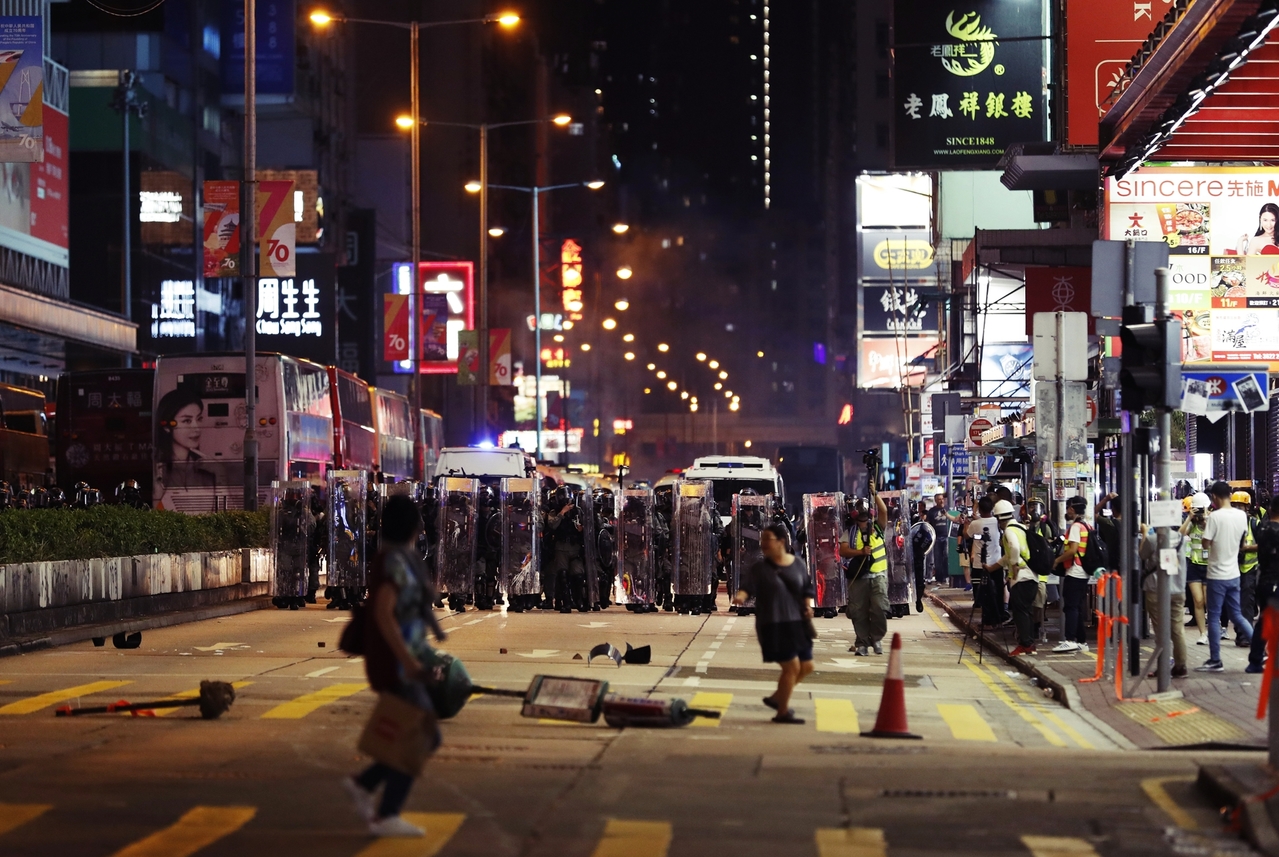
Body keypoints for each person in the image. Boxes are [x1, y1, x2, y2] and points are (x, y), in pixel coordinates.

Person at [345, 495, 447, 838]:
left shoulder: (396, 558)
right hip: (396, 665)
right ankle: (386, 811)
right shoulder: (393, 562)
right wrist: (410, 663)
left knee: (418, 734)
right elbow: (384, 615)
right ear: (412, 527)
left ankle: (365, 784)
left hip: (402, 661)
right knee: (424, 736)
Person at [734, 523, 815, 724]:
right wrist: (740, 597)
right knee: (792, 668)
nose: (762, 544)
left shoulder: (797, 563)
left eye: (766, 539)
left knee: (807, 666)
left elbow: (806, 588)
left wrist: (807, 605)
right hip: (773, 624)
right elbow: (747, 587)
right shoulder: (760, 568)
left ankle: (778, 697)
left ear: (780, 542)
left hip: (797, 623)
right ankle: (782, 711)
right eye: (761, 540)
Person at [1197, 481, 1254, 672]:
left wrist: (1206, 525)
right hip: (1235, 574)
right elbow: (1243, 541)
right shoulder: (1241, 516)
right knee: (1237, 615)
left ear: (1214, 497)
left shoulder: (1214, 517)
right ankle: (1260, 652)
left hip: (1216, 575)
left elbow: (1205, 544)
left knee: (1213, 616)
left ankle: (1215, 660)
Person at [840, 488, 890, 656]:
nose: (862, 513)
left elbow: (883, 510)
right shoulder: (850, 532)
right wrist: (861, 553)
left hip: (878, 576)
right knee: (858, 612)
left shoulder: (878, 527)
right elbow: (843, 551)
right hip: (858, 578)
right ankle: (862, 643)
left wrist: (875, 493)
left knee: (880, 608)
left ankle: (876, 638)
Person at [986, 499, 1037, 656]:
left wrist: (1014, 567)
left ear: (999, 518)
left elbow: (1014, 549)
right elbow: (1007, 557)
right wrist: (992, 567)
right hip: (1031, 576)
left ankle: (1025, 644)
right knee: (1026, 611)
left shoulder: (1009, 531)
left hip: (1021, 577)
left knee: (1020, 612)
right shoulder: (1020, 527)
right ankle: (1029, 643)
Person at [1138, 525, 1189, 679]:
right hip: (1178, 589)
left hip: (1156, 589)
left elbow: (1142, 554)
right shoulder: (1180, 538)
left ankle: (1163, 666)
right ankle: (1181, 666)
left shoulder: (1153, 539)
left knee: (1161, 632)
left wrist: (1145, 533)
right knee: (1177, 630)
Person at [1052, 496, 1091, 654]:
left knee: (1070, 607)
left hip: (1075, 570)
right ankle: (1081, 642)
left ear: (1071, 509)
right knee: (1077, 607)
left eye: (1067, 508)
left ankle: (1069, 640)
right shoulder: (1087, 525)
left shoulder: (1075, 526)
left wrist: (1056, 560)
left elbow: (1073, 550)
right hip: (1083, 572)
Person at [1247, 502, 1279, 674]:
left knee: (1263, 622)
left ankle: (1255, 661)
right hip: (1276, 582)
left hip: (1263, 580)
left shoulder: (1262, 528)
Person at [968, 496, 1006, 623]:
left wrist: (967, 522)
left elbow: (966, 534)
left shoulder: (975, 524)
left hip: (980, 564)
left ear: (980, 509)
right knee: (997, 592)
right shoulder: (997, 522)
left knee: (984, 594)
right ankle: (998, 618)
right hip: (997, 563)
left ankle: (988, 620)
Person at [1181, 492, 1210, 645]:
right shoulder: (1191, 523)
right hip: (1194, 565)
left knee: (1207, 601)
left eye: (1200, 509)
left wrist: (1206, 519)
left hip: (1209, 566)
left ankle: (1212, 629)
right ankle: (1202, 633)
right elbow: (1180, 534)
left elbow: (1212, 537)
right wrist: (1189, 518)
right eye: (1196, 509)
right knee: (1197, 601)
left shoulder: (1212, 520)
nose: (1198, 512)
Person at [1235, 490, 1260, 632]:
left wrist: (1246, 548)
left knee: (1246, 603)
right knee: (1234, 604)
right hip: (1232, 569)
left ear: (1247, 507)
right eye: (1235, 505)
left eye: (1241, 505)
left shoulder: (1254, 524)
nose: (1238, 509)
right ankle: (1241, 634)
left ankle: (1245, 635)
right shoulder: (1230, 523)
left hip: (1249, 569)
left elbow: (1264, 544)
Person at [925, 493, 960, 587]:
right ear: (936, 501)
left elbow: (954, 520)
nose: (941, 501)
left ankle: (946, 576)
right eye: (939, 499)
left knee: (946, 556)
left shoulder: (948, 509)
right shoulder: (932, 511)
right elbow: (928, 524)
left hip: (946, 536)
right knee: (938, 558)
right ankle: (939, 578)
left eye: (942, 499)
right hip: (936, 537)